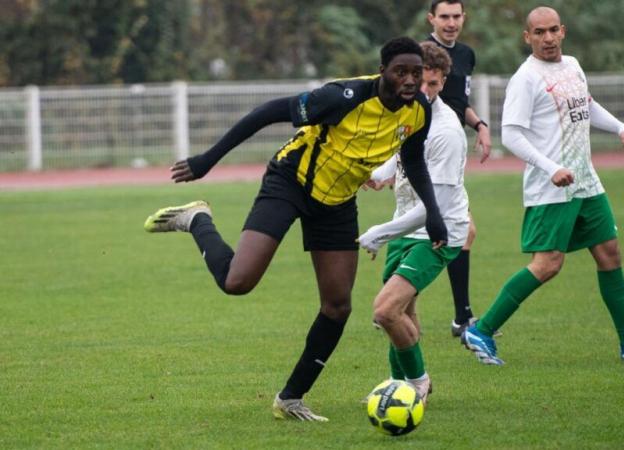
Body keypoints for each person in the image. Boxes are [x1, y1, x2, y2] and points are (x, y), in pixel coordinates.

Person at [143, 37, 447, 421]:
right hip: (291, 182)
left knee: (337, 306)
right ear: (382, 70)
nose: (409, 80)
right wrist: (207, 160)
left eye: (416, 73)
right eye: (400, 71)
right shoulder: (344, 96)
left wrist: (432, 212)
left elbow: (414, 161)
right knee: (238, 282)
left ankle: (290, 399)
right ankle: (197, 219)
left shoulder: (419, 109)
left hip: (336, 203)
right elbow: (269, 112)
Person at [462, 6, 624, 365]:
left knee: (610, 253)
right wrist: (550, 168)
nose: (547, 38)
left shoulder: (573, 65)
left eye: (552, 31)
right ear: (527, 37)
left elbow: (586, 106)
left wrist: (620, 127)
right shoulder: (526, 77)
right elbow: (512, 135)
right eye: (539, 33)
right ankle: (481, 330)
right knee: (547, 264)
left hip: (585, 180)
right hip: (552, 187)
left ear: (562, 31)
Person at [358, 41, 469, 401]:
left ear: (443, 82)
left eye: (433, 85)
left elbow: (432, 208)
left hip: (436, 235)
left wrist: (378, 233)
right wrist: (376, 173)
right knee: (404, 310)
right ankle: (398, 386)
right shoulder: (407, 113)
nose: (422, 90)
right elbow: (402, 154)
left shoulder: (447, 133)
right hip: (406, 227)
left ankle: (417, 382)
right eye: (419, 80)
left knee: (385, 310)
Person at [427, 0, 493, 337]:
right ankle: (462, 318)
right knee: (461, 230)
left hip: (453, 151)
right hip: (428, 152)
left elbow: (458, 103)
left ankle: (392, 307)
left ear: (463, 18)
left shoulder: (465, 54)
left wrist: (480, 125)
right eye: (444, 17)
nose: (451, 23)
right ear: (431, 19)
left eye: (456, 16)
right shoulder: (421, 54)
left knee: (442, 230)